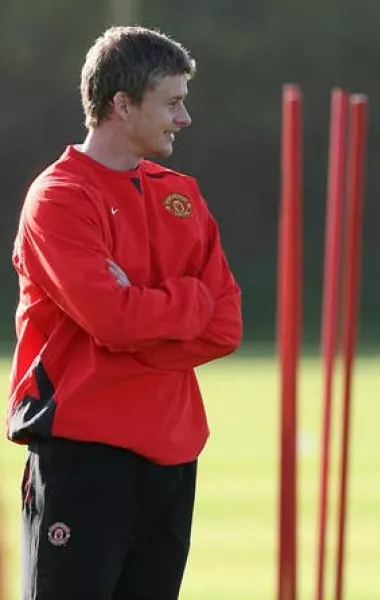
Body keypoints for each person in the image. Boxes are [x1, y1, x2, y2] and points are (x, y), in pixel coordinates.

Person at [7, 26, 242, 599]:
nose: (183, 118)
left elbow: (226, 325)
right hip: (84, 460)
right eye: (172, 102)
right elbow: (110, 317)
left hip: (172, 455)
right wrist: (187, 300)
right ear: (122, 104)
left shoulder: (181, 194)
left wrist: (145, 307)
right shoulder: (59, 196)